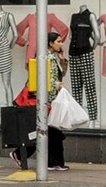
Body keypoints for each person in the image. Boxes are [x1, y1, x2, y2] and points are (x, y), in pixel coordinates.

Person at [17, 30, 69, 170]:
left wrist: (63, 61)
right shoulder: (45, 56)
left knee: (52, 132)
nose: (61, 43)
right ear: (51, 43)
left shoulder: (53, 56)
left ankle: (54, 162)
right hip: (45, 100)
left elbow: (58, 74)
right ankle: (21, 154)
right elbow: (42, 77)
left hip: (50, 100)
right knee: (50, 132)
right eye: (58, 41)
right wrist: (55, 85)